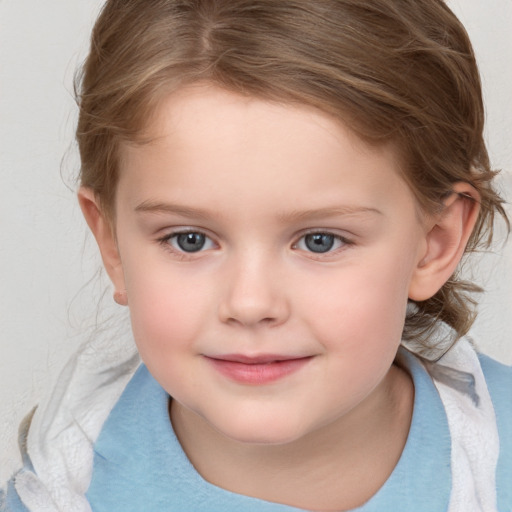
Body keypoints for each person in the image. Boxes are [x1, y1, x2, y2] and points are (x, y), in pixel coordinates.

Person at [2, 0, 511, 510]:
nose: (250, 303)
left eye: (320, 241)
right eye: (190, 240)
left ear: (434, 243)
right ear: (112, 244)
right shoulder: (64, 489)